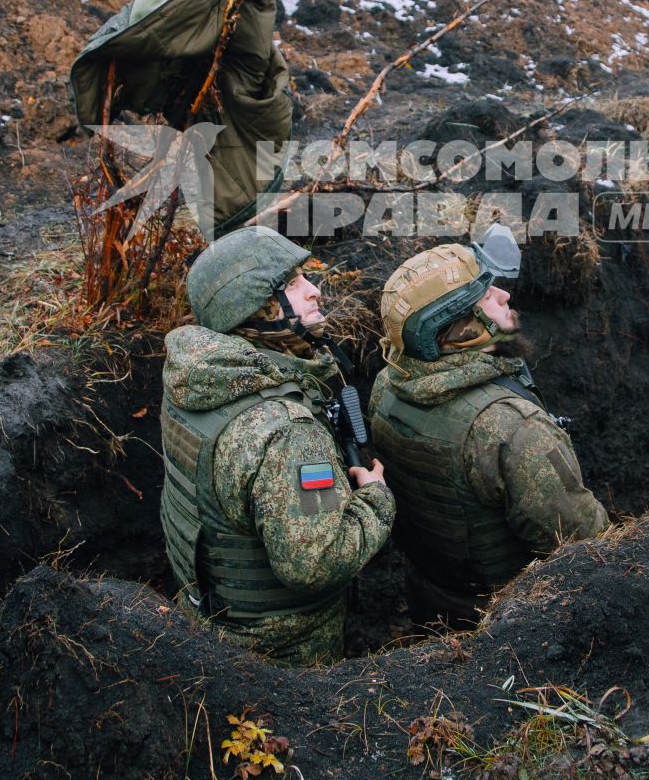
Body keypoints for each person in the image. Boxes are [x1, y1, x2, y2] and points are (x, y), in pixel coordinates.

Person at [160, 225, 394, 665]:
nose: (315, 291)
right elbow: (316, 564)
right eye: (291, 284)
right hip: (284, 654)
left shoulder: (198, 379)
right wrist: (375, 500)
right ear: (253, 308)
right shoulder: (288, 433)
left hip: (207, 625)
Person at [367, 226, 609, 625]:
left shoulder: (387, 388)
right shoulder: (512, 428)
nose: (505, 295)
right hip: (507, 624)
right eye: (486, 295)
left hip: (431, 600)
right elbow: (586, 547)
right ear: (462, 327)